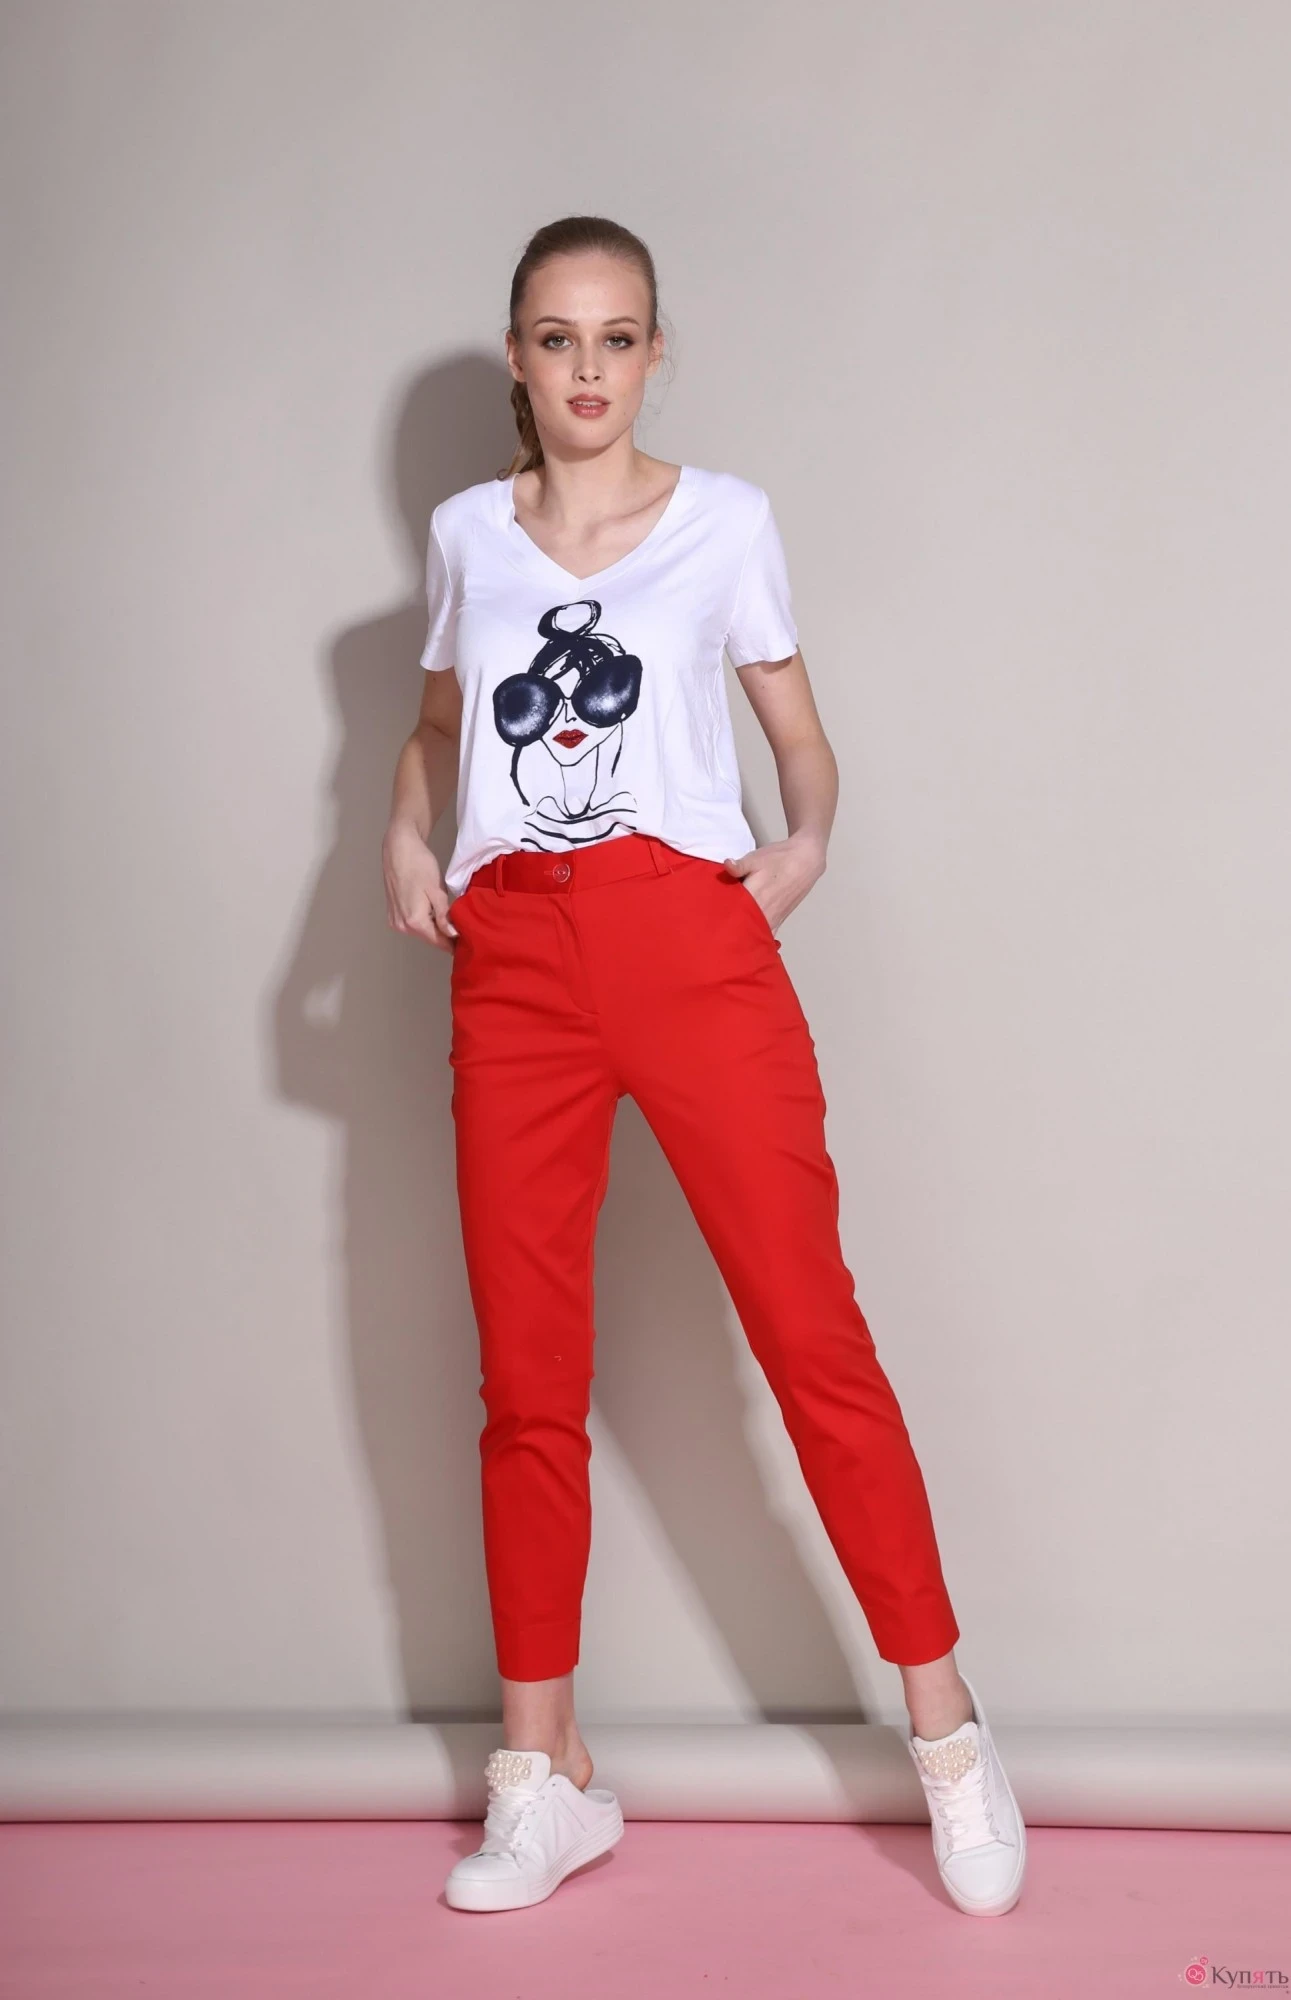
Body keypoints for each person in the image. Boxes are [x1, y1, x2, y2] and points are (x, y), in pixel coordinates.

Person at [382, 215, 1025, 1919]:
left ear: (656, 353)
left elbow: (801, 743)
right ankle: (543, 1778)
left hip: (688, 941)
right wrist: (402, 831)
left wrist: (798, 853)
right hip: (514, 962)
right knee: (528, 1381)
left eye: (617, 337)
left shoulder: (726, 521)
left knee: (811, 1339)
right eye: (557, 337)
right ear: (517, 358)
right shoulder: (466, 537)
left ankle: (951, 1738)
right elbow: (439, 728)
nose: (587, 368)